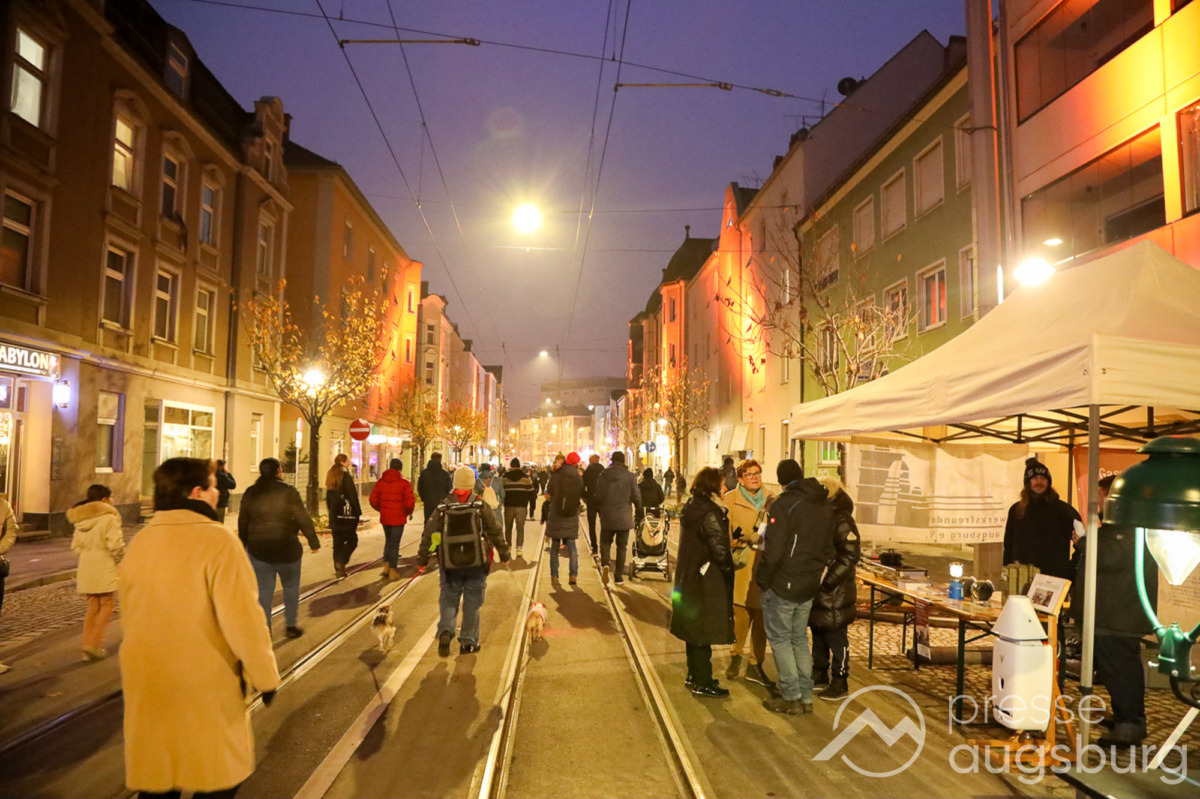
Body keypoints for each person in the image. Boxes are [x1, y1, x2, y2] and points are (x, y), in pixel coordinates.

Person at [120, 457, 279, 799]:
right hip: (203, 684)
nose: (218, 492)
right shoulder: (217, 541)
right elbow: (244, 621)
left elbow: (130, 614)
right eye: (213, 486)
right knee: (215, 776)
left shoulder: (141, 542)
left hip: (148, 681)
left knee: (160, 777)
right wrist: (265, 678)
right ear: (197, 493)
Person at [1070, 475, 1157, 746]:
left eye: (1101, 495)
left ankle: (1129, 724)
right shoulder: (1121, 524)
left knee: (1120, 669)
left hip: (1117, 613)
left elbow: (1110, 557)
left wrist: (1083, 541)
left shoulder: (1128, 526)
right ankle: (1126, 718)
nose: (1097, 501)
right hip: (1113, 611)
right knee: (1117, 668)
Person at [756, 459, 834, 716]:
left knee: (780, 640)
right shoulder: (823, 503)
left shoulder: (784, 504)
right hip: (809, 582)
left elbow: (774, 550)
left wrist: (763, 579)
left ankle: (791, 697)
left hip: (784, 583)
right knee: (799, 638)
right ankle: (805, 697)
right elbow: (828, 547)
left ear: (782, 481)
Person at [417, 466, 510, 656]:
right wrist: (504, 554)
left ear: (455, 483)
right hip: (475, 563)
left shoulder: (443, 506)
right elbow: (495, 529)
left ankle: (446, 630)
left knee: (448, 599)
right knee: (472, 603)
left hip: (450, 564)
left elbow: (429, 533)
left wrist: (423, 559)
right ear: (471, 484)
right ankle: (468, 642)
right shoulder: (479, 504)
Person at [670, 467, 735, 697]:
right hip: (705, 579)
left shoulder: (693, 506)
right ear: (713, 487)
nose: (726, 487)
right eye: (723, 484)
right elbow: (721, 552)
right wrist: (729, 572)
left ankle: (694, 675)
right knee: (702, 631)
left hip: (690, 576)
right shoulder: (710, 513)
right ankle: (703, 681)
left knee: (693, 629)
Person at [238, 457, 321, 638]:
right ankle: (290, 626)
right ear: (278, 472)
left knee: (263, 592)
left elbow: (243, 521)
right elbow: (302, 517)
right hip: (288, 549)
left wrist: (242, 545)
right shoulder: (289, 491)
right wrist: (313, 541)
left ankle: (265, 630)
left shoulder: (251, 492)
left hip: (259, 550)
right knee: (291, 588)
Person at [721, 459, 775, 690]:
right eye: (750, 474)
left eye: (757, 473)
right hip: (742, 565)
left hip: (765, 566)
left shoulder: (772, 499)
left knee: (762, 618)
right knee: (741, 616)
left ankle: (755, 663)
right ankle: (736, 655)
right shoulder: (730, 499)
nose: (755, 478)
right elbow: (724, 533)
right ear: (740, 479)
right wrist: (736, 541)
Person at [810, 476, 861, 702]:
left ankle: (840, 680)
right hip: (820, 586)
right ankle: (819, 673)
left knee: (836, 635)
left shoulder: (840, 517)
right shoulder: (822, 515)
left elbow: (850, 553)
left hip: (835, 589)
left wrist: (829, 580)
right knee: (818, 630)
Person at [69, 484, 125, 662]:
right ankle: (93, 643)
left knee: (92, 607)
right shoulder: (109, 518)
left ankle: (86, 648)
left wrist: (88, 555)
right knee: (107, 605)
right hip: (105, 564)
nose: (112, 500)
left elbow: (75, 546)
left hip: (86, 565)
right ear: (104, 499)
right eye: (110, 497)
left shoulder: (81, 520)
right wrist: (120, 560)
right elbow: (115, 545)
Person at [1003, 457, 1081, 580]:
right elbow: (1008, 546)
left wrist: (1070, 570)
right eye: (1035, 478)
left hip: (1054, 580)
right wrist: (1007, 573)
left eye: (1043, 478)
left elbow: (1082, 541)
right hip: (1021, 578)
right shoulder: (1016, 511)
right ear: (1028, 482)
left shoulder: (1063, 511)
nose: (1039, 482)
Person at [594, 450, 643, 586]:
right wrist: (639, 509)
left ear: (611, 460)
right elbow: (637, 496)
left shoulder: (603, 475)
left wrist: (601, 508)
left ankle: (605, 564)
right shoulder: (630, 476)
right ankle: (618, 576)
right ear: (623, 461)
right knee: (622, 547)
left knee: (605, 543)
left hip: (607, 515)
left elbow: (598, 495)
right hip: (623, 517)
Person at [369, 458, 416, 580]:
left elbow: (373, 500)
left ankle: (386, 565)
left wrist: (382, 509)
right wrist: (407, 512)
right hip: (398, 518)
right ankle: (393, 570)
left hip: (385, 517)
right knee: (395, 544)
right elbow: (409, 503)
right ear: (400, 468)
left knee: (388, 541)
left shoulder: (381, 482)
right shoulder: (405, 483)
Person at [545, 452, 584, 585]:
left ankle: (554, 575)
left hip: (556, 514)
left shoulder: (556, 474)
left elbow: (549, 492)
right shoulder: (578, 477)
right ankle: (573, 575)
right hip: (571, 514)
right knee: (572, 546)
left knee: (555, 546)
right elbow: (581, 494)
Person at [325, 453, 362, 578]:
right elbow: (352, 496)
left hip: (335, 516)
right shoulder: (345, 476)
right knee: (352, 540)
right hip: (347, 516)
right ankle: (342, 561)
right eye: (347, 461)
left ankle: (338, 568)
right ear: (342, 462)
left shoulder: (331, 475)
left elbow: (328, 497)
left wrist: (331, 512)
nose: (349, 463)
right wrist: (357, 512)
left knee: (337, 543)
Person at [501, 458, 535, 558]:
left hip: (508, 506)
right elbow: (531, 493)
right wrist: (532, 507)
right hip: (521, 506)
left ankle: (508, 546)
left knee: (508, 527)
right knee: (520, 528)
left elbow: (501, 492)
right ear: (519, 466)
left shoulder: (504, 477)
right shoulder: (526, 477)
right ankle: (519, 548)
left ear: (511, 466)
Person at [475, 462, 509, 554]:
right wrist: (499, 504)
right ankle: (500, 552)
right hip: (496, 510)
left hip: (483, 510)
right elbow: (503, 495)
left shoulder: (478, 481)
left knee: (485, 531)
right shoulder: (497, 480)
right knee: (497, 531)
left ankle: (489, 552)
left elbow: (475, 497)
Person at [417, 452, 453, 523]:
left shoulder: (424, 473)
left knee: (428, 521)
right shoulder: (445, 474)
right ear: (440, 460)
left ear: (431, 458)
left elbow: (420, 488)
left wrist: (424, 498)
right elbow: (450, 488)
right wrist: (445, 499)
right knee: (440, 522)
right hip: (441, 503)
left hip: (428, 502)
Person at [581, 453, 606, 554]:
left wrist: (585, 497)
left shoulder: (587, 472)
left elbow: (582, 487)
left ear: (590, 461)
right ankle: (603, 546)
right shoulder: (604, 471)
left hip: (591, 501)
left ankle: (594, 547)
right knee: (604, 525)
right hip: (602, 501)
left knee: (592, 525)